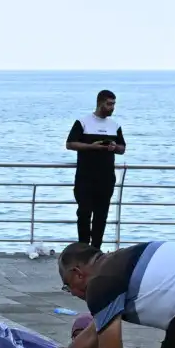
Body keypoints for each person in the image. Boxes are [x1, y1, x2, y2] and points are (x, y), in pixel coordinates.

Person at [65, 90, 125, 250]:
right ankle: (83, 247)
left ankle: (96, 249)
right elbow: (70, 144)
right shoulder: (83, 122)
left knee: (101, 214)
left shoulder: (115, 125)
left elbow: (122, 148)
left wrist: (114, 147)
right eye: (109, 104)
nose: (112, 107)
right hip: (85, 176)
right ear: (100, 103)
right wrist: (91, 147)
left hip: (106, 177)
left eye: (113, 104)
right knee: (84, 212)